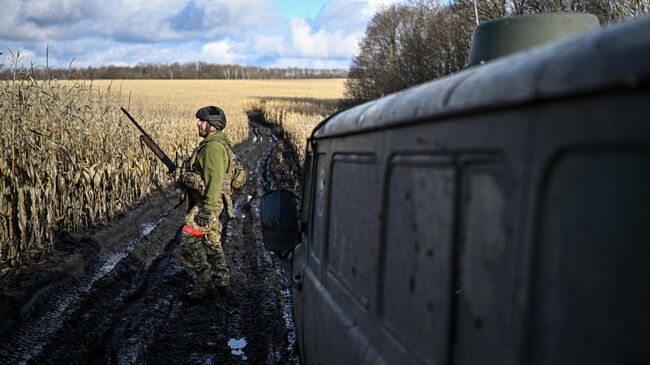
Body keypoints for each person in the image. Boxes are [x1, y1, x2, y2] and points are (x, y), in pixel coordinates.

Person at [179, 105, 237, 297]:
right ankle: (223, 282)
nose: (198, 124)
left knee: (189, 236)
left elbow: (214, 181)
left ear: (213, 126)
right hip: (213, 201)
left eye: (202, 121)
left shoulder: (212, 147)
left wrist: (206, 210)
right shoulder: (217, 144)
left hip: (210, 202)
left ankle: (204, 284)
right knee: (211, 241)